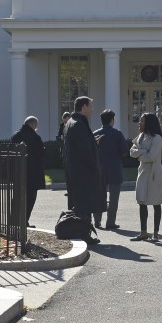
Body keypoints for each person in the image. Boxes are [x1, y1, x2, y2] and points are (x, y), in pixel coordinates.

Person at [62, 97, 104, 231]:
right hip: (83, 174)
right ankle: (85, 233)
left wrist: (92, 142)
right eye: (90, 106)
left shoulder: (70, 122)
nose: (92, 109)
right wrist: (94, 165)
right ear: (84, 107)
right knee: (85, 207)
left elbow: (78, 146)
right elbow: (84, 152)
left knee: (80, 206)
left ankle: (84, 233)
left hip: (75, 172)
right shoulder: (79, 124)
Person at [129, 113, 162, 242]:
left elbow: (151, 157)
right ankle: (143, 232)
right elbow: (132, 152)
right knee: (142, 202)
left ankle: (155, 233)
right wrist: (143, 153)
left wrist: (140, 153)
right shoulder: (141, 136)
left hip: (154, 173)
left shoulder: (157, 138)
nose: (139, 123)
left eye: (142, 121)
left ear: (148, 123)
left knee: (156, 202)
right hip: (142, 172)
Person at [94, 109, 129, 230]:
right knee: (114, 198)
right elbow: (124, 151)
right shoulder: (117, 134)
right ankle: (110, 222)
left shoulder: (95, 134)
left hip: (99, 170)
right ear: (112, 120)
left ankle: (97, 221)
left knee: (98, 196)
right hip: (114, 168)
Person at [10, 116, 46, 227]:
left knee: (17, 198)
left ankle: (14, 221)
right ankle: (24, 221)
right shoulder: (35, 137)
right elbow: (41, 154)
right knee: (30, 198)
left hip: (18, 172)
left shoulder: (15, 135)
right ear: (33, 125)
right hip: (31, 173)